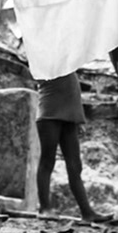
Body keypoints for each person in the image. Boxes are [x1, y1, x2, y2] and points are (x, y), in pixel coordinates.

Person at [36, 71, 99, 220]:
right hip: (49, 113)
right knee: (47, 160)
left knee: (75, 165)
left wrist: (77, 117)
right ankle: (44, 208)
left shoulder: (67, 60)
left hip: (69, 115)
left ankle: (87, 212)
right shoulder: (44, 57)